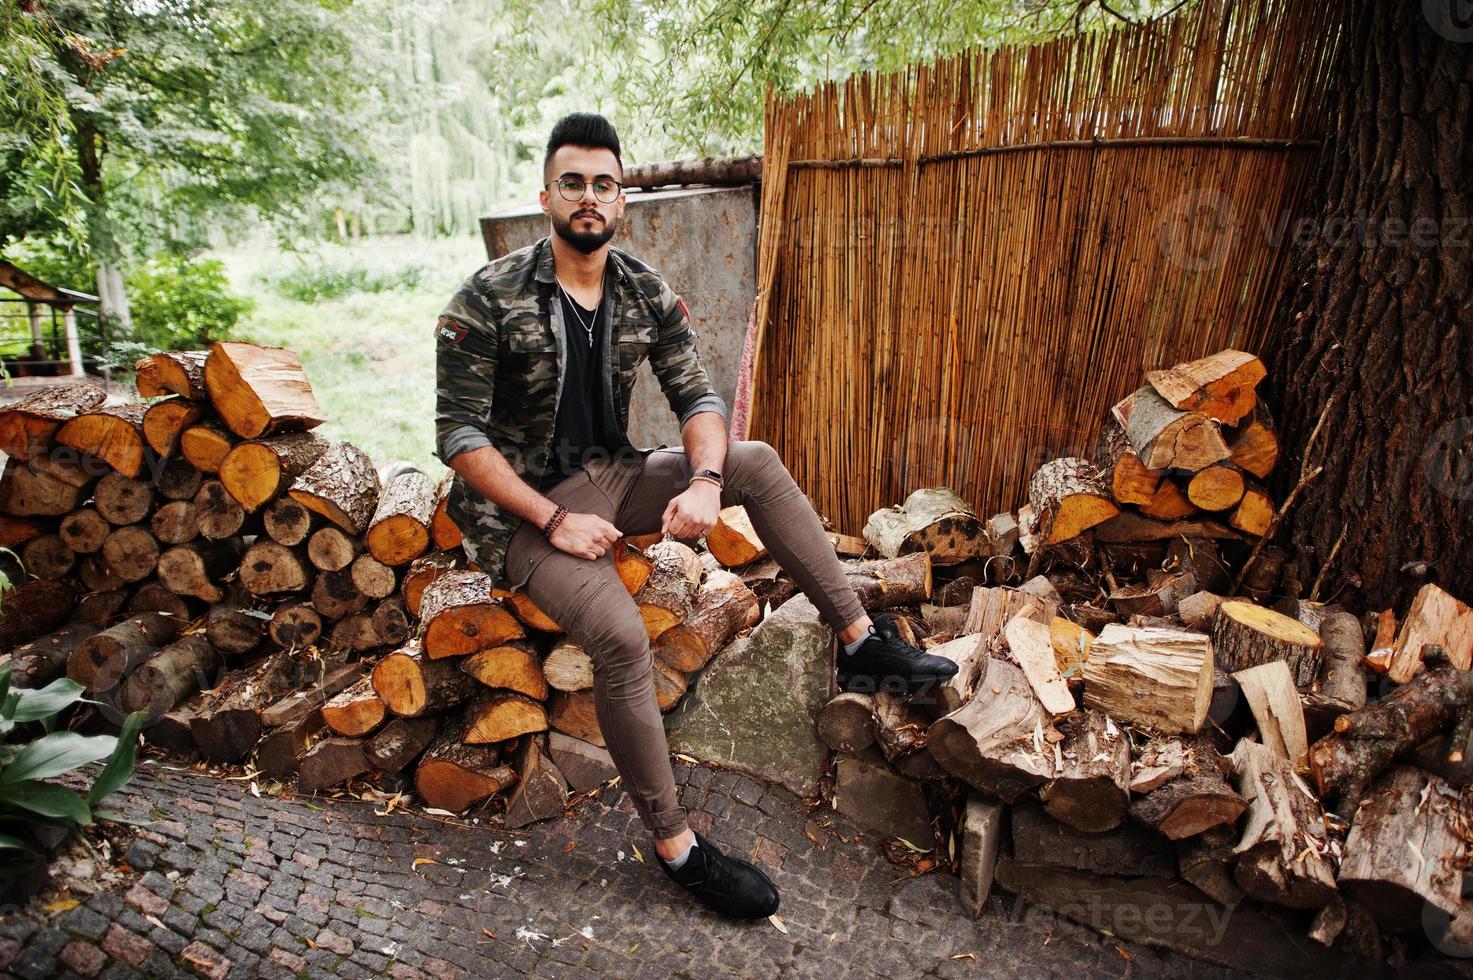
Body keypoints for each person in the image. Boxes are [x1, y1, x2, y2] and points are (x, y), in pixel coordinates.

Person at [433, 112, 958, 920]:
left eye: (603, 183)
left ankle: (860, 643)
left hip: (611, 471)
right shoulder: (489, 295)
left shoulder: (642, 288)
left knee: (756, 460)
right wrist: (549, 520)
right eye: (571, 181)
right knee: (616, 635)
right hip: (519, 512)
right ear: (547, 194)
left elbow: (698, 395)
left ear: (622, 201)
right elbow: (457, 435)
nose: (588, 197)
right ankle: (677, 846)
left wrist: (707, 478)